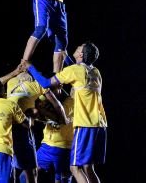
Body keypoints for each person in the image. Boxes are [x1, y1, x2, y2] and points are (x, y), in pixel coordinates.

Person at [25, 42, 107, 183]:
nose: (77, 47)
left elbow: (45, 83)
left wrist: (30, 68)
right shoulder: (95, 72)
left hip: (85, 125)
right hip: (100, 125)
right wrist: (67, 59)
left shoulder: (75, 71)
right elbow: (78, 70)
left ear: (81, 54)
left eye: (79, 47)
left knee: (75, 168)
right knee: (89, 168)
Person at [7, 70, 69, 183]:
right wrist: (62, 119)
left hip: (6, 129)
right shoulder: (40, 88)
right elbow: (54, 106)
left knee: (14, 171)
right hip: (36, 139)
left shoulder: (11, 82)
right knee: (30, 172)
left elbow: (39, 110)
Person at [36, 87, 76, 183]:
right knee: (28, 172)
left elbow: (60, 118)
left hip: (63, 147)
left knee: (62, 178)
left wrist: (42, 108)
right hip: (47, 145)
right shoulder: (53, 99)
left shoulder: (72, 102)